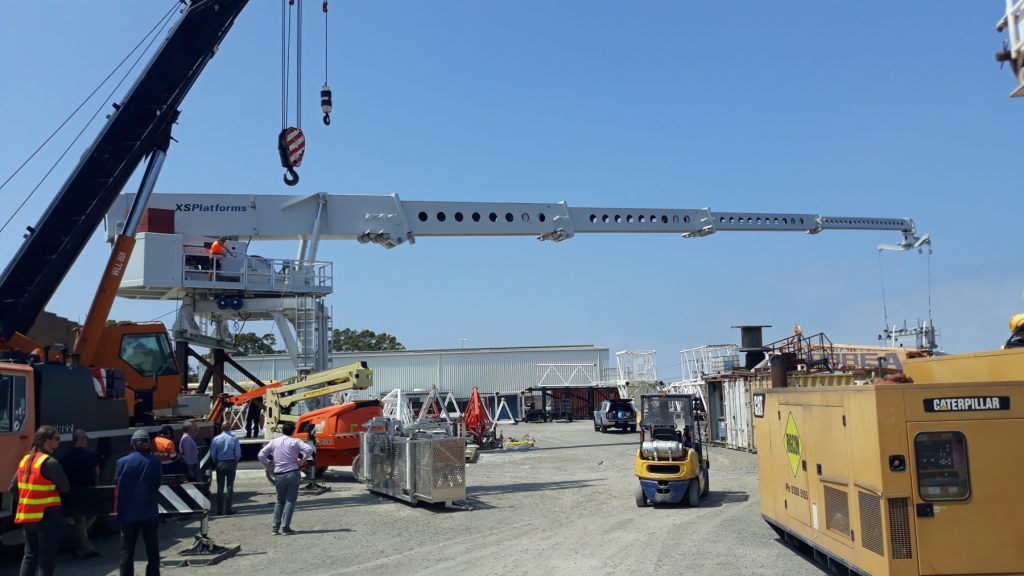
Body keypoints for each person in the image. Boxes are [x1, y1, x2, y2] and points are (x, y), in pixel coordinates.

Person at [10, 425, 69, 576]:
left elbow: (13, 488)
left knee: (29, 555)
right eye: (57, 438)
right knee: (46, 556)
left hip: (28, 516)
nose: (59, 442)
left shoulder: (25, 461)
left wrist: (28, 498)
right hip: (47, 516)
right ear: (47, 441)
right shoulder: (50, 463)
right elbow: (64, 487)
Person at [116, 429, 162, 576]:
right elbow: (157, 483)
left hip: (128, 513)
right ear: (148, 443)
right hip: (149, 512)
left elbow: (118, 484)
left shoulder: (121, 462)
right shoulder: (155, 462)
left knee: (127, 550)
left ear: (132, 443)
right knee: (152, 549)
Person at [257, 421, 313, 535]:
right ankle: (285, 527)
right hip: (293, 472)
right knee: (290, 500)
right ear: (293, 430)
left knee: (279, 500)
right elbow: (309, 449)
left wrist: (268, 465)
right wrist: (303, 460)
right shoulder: (295, 441)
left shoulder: (274, 442)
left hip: (279, 474)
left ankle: (275, 526)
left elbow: (261, 454)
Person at [61, 429, 101, 559]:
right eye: (86, 438)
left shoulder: (66, 457)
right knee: (93, 514)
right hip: (88, 491)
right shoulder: (90, 455)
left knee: (80, 519)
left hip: (72, 492)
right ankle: (86, 547)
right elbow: (97, 471)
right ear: (82, 439)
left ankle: (79, 539)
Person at [209, 424, 241, 515]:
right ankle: (228, 509)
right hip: (231, 462)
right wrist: (236, 463)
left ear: (221, 428)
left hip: (220, 463)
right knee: (230, 487)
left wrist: (216, 463)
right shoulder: (234, 438)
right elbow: (238, 453)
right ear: (230, 427)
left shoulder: (216, 439)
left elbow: (213, 454)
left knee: (220, 487)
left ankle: (219, 510)